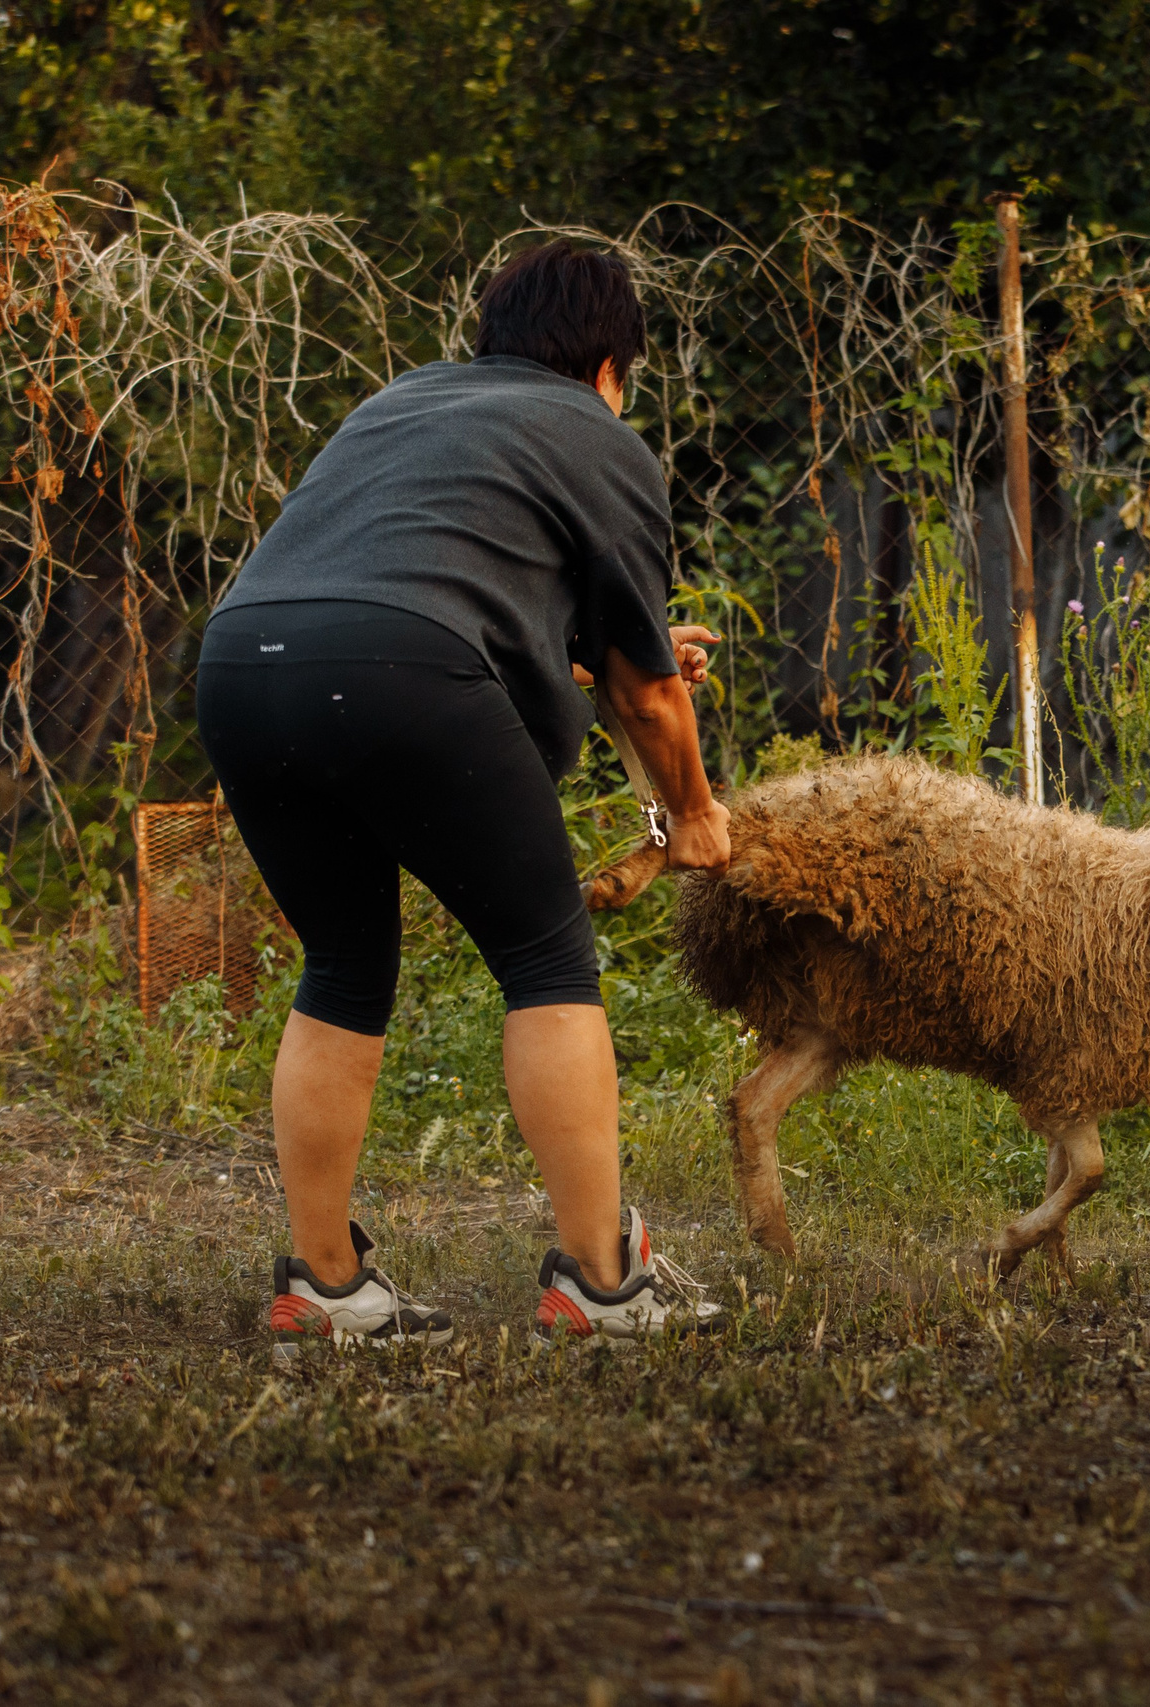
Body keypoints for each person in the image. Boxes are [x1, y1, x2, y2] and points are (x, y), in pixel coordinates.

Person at [196, 239, 733, 1349]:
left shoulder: (403, 404)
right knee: (546, 964)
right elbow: (644, 697)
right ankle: (599, 1286)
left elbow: (436, 584)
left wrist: (600, 655)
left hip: (245, 665)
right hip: (405, 670)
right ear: (607, 366)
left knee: (342, 964)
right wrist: (692, 813)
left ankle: (324, 1288)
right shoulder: (600, 436)